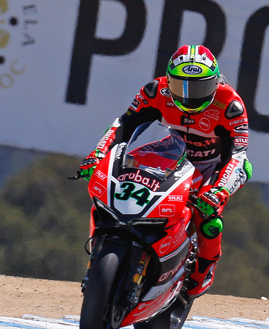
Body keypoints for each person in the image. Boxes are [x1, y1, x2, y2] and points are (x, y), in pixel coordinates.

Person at [78, 44, 252, 297]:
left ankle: (203, 271)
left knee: (208, 219)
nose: (190, 96)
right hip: (172, 150)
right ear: (168, 80)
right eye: (181, 87)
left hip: (213, 165)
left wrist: (218, 192)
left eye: (200, 88)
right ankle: (104, 246)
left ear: (215, 84)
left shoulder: (230, 105)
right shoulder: (154, 91)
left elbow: (237, 155)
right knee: (120, 179)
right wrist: (97, 155)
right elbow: (124, 126)